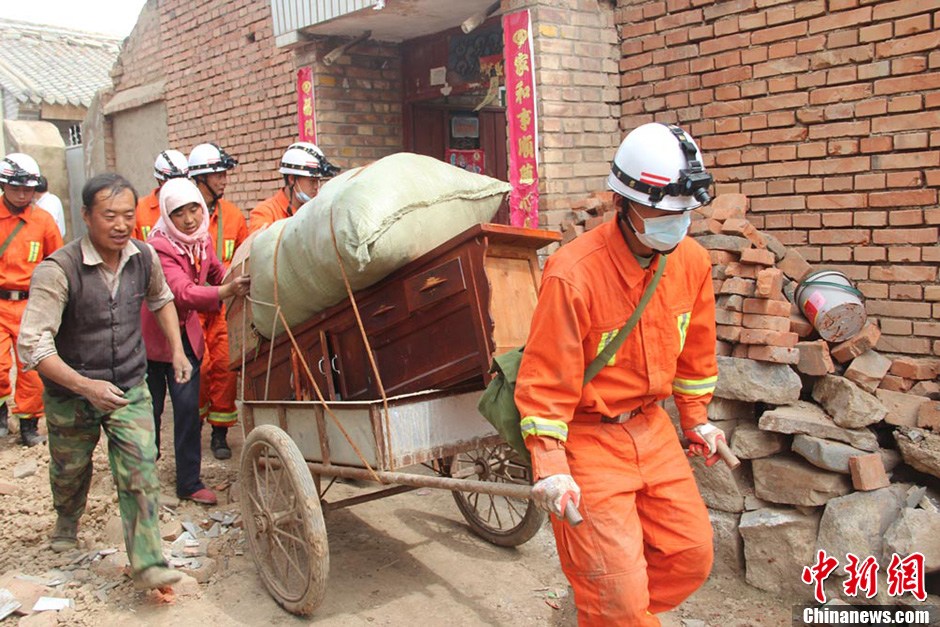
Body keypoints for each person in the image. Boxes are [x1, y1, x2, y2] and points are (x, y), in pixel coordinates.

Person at [514, 122, 721, 626]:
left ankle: (608, 609)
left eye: (685, 211)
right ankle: (611, 606)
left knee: (691, 555)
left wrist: (696, 419)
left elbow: (696, 354)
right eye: (665, 210)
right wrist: (550, 462)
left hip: (653, 431)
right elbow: (545, 380)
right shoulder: (573, 273)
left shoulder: (691, 261)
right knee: (617, 593)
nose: (677, 222)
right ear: (622, 202)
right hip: (588, 440)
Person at [17, 173, 187, 589]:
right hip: (72, 392)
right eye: (109, 215)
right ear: (86, 216)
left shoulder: (143, 257)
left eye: (128, 215)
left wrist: (178, 350)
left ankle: (147, 562)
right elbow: (33, 348)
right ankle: (66, 520)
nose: (120, 224)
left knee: (140, 470)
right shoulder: (58, 270)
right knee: (70, 469)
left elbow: (162, 298)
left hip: (129, 385)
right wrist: (85, 386)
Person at [142, 177, 250, 504]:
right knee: (150, 410)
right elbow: (182, 292)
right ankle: (142, 475)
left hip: (185, 340)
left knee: (188, 410)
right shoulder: (159, 246)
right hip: (152, 341)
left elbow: (216, 270)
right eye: (179, 213)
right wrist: (226, 291)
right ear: (166, 215)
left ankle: (188, 481)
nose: (189, 219)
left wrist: (241, 273)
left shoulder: (201, 240)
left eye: (194, 210)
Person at [187, 143, 248, 459]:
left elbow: (243, 256)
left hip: (224, 308)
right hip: (193, 309)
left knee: (225, 368)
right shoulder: (185, 216)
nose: (224, 180)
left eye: (225, 174)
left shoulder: (234, 216)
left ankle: (220, 434)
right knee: (200, 369)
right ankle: (193, 425)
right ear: (200, 178)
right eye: (218, 174)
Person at [0, 153, 63, 446]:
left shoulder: (43, 221)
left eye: (28, 188)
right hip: (0, 303)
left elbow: (56, 263)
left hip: (31, 304)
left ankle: (29, 423)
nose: (23, 194)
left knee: (31, 367)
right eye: (16, 188)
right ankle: (1, 413)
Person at [248, 142, 339, 234]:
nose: (316, 186)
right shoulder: (265, 212)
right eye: (312, 181)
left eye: (318, 180)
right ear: (292, 179)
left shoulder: (317, 212)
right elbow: (260, 244)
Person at [134, 150, 190, 241]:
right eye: (173, 182)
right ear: (159, 180)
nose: (178, 186)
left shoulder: (193, 207)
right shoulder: (139, 209)